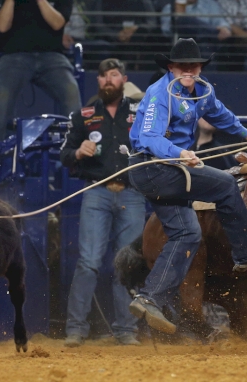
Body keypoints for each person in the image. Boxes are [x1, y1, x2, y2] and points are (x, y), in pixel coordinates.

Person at [126, 38, 247, 333]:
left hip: (170, 169)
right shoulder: (158, 94)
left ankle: (150, 297)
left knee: (188, 233)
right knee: (226, 184)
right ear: (171, 68)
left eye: (194, 66)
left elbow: (218, 113)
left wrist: (243, 132)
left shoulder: (202, 91)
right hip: (153, 168)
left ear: (200, 68)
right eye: (182, 67)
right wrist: (179, 153)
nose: (189, 71)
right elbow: (150, 138)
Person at [59, 58, 145, 347]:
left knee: (127, 263)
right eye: (104, 76)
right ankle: (75, 329)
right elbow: (65, 154)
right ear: (97, 81)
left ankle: (126, 330)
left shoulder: (141, 111)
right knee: (89, 262)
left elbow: (156, 145)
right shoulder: (81, 116)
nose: (108, 80)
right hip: (96, 191)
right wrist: (78, 153)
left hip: (132, 192)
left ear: (123, 79)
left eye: (114, 75)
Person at [0, 0, 81, 157]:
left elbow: (57, 23)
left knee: (71, 89)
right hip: (15, 55)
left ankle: (76, 146)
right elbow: (2, 26)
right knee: (2, 94)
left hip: (52, 56)